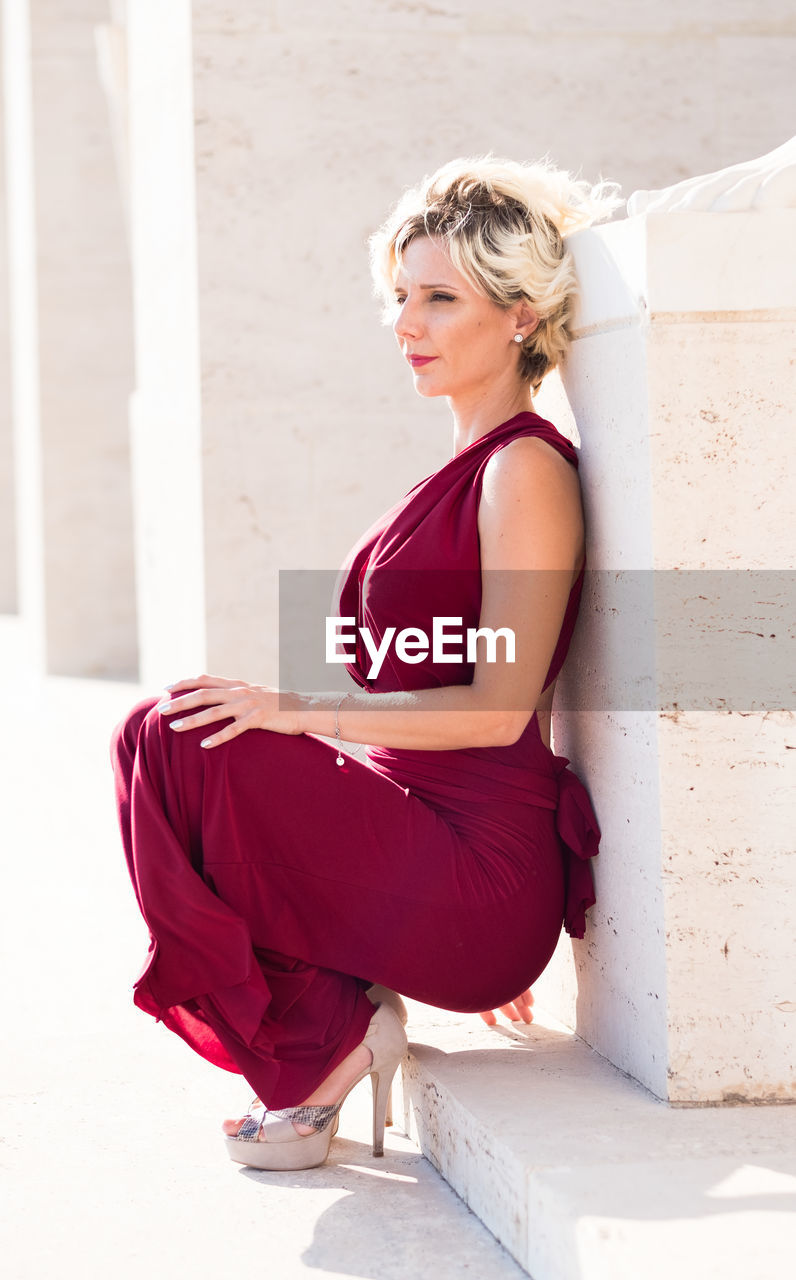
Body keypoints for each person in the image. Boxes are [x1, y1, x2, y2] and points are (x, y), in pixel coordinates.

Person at [110, 155, 617, 1172]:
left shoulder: (525, 469)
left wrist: (291, 709)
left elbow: (493, 708)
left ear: (520, 315)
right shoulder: (459, 470)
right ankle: (343, 1004)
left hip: (477, 866)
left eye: (439, 298)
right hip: (419, 837)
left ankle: (321, 1037)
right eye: (400, 296)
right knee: (170, 731)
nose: (406, 324)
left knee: (179, 734)